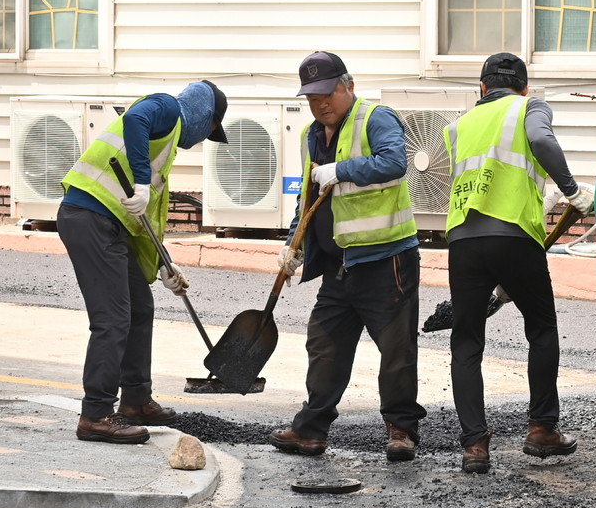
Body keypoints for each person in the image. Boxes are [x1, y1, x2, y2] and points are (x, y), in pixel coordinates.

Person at [267, 51, 426, 462]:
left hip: (386, 260)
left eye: (327, 94)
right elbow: (309, 197)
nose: (320, 103)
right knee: (324, 344)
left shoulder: (375, 118)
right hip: (338, 264)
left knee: (396, 350)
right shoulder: (311, 135)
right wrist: (295, 244)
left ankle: (401, 430)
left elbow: (394, 163)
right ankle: (311, 431)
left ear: (348, 86)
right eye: (311, 97)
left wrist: (341, 170)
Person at [443, 52, 595, 474]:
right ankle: (541, 428)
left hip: (464, 239)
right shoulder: (530, 107)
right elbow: (542, 142)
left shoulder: (457, 126)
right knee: (541, 329)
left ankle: (475, 445)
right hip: (514, 235)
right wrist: (570, 190)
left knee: (466, 342)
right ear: (524, 87)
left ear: (481, 88)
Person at [59, 81, 229, 444]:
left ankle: (135, 400)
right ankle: (95, 415)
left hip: (109, 225)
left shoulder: (163, 147)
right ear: (205, 116)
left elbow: (142, 223)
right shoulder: (167, 108)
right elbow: (135, 118)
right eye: (210, 130)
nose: (203, 139)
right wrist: (139, 182)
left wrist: (164, 265)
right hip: (88, 218)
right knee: (112, 318)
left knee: (140, 307)